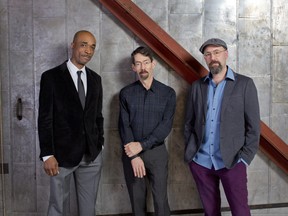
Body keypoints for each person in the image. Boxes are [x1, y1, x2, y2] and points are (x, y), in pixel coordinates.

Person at [184, 38, 260, 216]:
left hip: (232, 161)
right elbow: (188, 123)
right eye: (208, 54)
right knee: (210, 212)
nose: (213, 57)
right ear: (205, 59)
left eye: (217, 52)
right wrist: (191, 154)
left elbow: (254, 127)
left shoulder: (244, 84)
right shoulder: (197, 87)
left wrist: (244, 159)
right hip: (201, 162)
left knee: (240, 211)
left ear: (226, 54)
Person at [38, 30, 104, 216]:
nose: (88, 50)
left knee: (88, 210)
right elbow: (45, 119)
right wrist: (47, 154)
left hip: (91, 156)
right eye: (83, 44)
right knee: (58, 208)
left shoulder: (96, 79)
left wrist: (100, 144)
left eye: (92, 47)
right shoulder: (51, 77)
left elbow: (97, 116)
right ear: (73, 45)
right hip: (61, 157)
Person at [118, 46, 176, 216]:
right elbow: (124, 126)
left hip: (157, 154)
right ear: (133, 67)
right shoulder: (126, 93)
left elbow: (165, 126)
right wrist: (134, 155)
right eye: (138, 64)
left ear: (153, 64)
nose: (143, 68)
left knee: (160, 202)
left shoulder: (168, 93)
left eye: (146, 63)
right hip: (132, 155)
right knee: (137, 203)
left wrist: (141, 146)